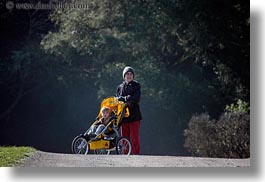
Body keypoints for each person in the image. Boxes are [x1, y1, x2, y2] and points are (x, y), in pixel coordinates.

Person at [116, 66, 142, 154]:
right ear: (124, 76)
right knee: (124, 138)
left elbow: (136, 98)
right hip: (123, 116)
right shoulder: (120, 87)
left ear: (133, 76)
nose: (129, 76)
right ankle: (125, 155)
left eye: (131, 74)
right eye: (127, 74)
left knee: (135, 137)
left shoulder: (136, 85)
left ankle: (136, 154)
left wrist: (126, 100)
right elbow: (117, 99)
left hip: (134, 116)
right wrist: (125, 99)